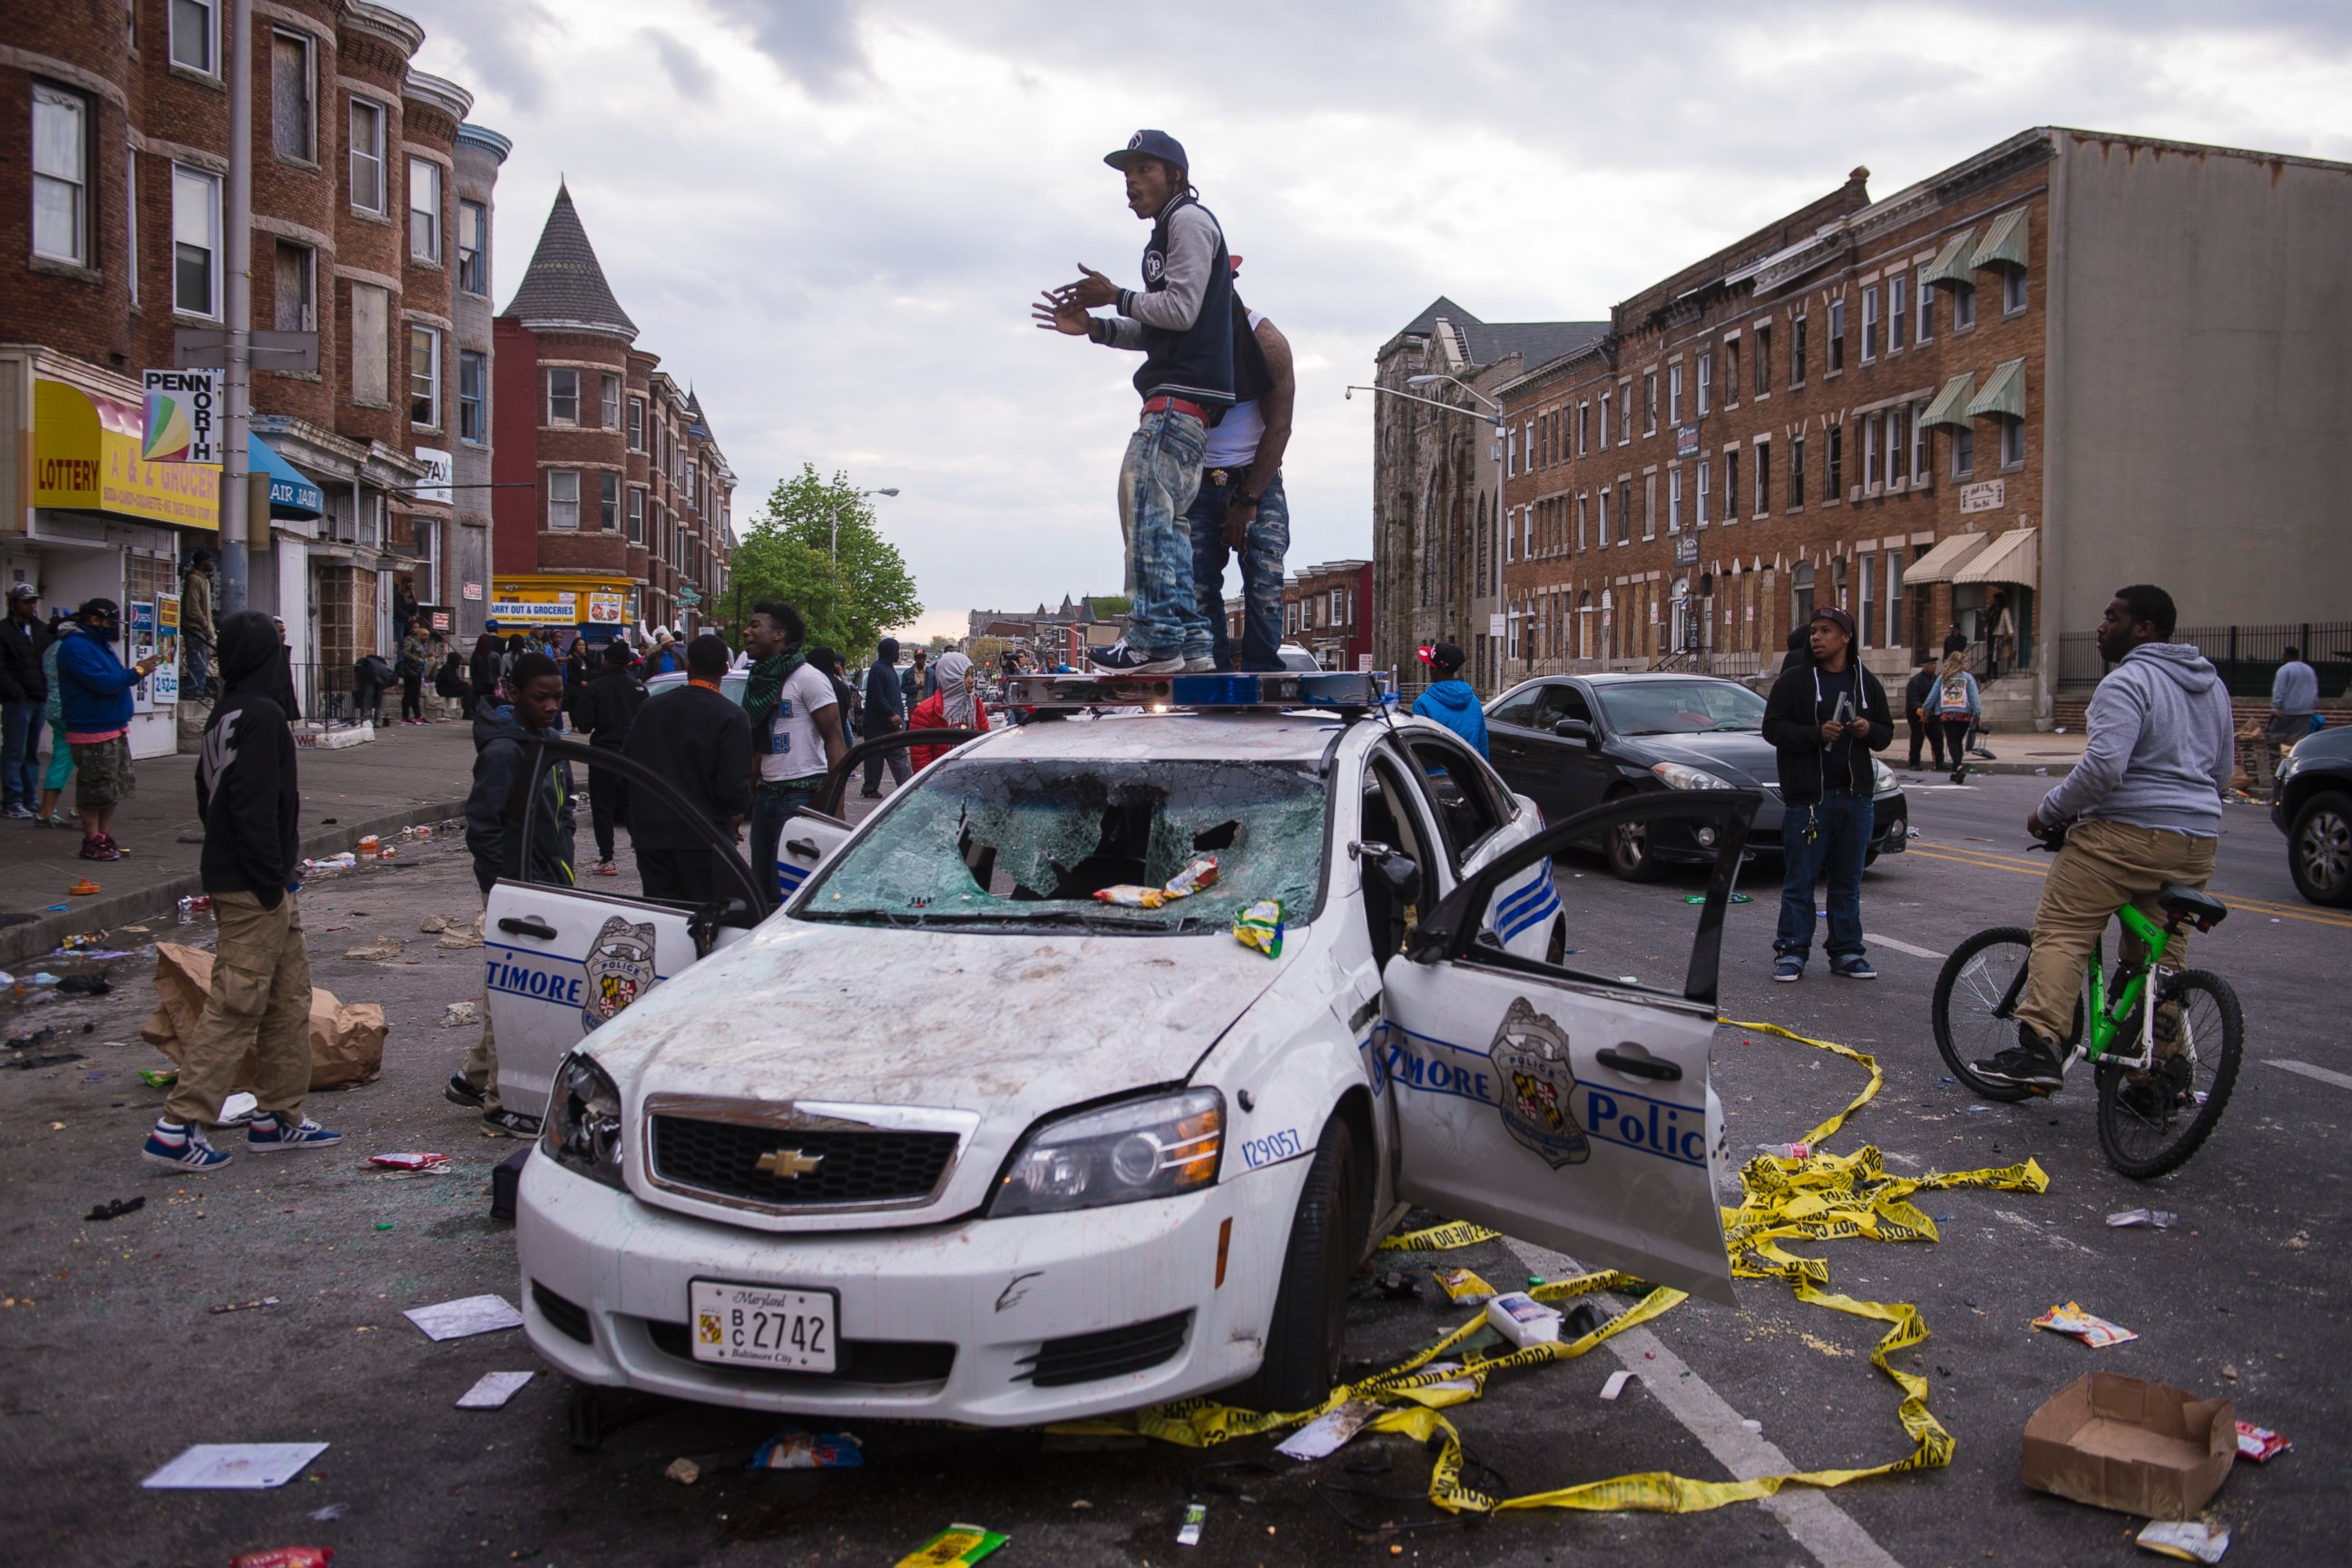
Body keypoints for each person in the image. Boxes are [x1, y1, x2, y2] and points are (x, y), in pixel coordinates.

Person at [1975, 585, 2235, 1093]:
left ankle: (2042, 1047)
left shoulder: (2128, 681)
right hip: (2195, 843)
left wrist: (2048, 812)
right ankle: (2156, 1076)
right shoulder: (2214, 688)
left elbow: (2103, 768)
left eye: (2111, 617)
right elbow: (2222, 773)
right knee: (2160, 963)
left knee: (2064, 930)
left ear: (2143, 629)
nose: (2100, 625)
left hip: (2124, 838)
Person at [1033, 128, 1234, 673]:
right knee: (1170, 529)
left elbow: (1181, 310)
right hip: (1190, 407)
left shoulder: (1187, 221)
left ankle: (1153, 641)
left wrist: (1115, 295)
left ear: (1176, 174)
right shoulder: (1171, 230)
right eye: (1126, 174)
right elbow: (1161, 329)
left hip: (1175, 403)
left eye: (1143, 169)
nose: (1131, 183)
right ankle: (1193, 645)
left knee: (1144, 509)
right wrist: (1098, 327)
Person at [142, 611, 338, 1170]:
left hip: (256, 877)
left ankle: (277, 1114)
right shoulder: (262, 715)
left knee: (287, 997)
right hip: (256, 884)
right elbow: (254, 805)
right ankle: (179, 1127)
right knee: (236, 1004)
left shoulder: (225, 712)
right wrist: (269, 880)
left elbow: (209, 800)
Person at [448, 652, 573, 1135]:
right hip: (516, 890)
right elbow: (482, 827)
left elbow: (560, 812)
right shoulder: (504, 752)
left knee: (506, 986)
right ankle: (502, 1102)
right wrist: (507, 886)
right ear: (515, 693)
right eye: (540, 697)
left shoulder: (549, 742)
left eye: (557, 697)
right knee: (513, 992)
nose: (549, 706)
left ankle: (473, 1078)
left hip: (547, 882)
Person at [1761, 606, 1891, 983]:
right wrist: (1815, 734)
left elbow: (1885, 733)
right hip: (1810, 800)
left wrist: (1868, 730)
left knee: (1847, 882)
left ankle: (1847, 952)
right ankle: (1791, 951)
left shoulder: (1864, 682)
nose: (1816, 637)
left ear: (1846, 638)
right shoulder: (1795, 682)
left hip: (1856, 799)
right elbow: (1772, 729)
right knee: (1800, 881)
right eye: (1814, 631)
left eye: (1826, 631)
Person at [1187, 262, 1295, 671]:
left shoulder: (1266, 341)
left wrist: (1248, 498)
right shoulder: (1187, 337)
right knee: (1197, 587)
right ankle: (1213, 674)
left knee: (1264, 582)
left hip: (1255, 478)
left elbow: (1279, 428)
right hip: (1195, 481)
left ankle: (1262, 673)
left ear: (1229, 288)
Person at [624, 632, 752, 904]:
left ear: (688, 666)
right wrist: (736, 810)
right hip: (705, 836)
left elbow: (628, 768)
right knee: (705, 916)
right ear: (726, 670)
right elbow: (733, 787)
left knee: (662, 913)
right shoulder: (731, 716)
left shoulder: (650, 708)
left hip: (653, 835)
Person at [742, 601, 847, 899]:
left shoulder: (809, 678)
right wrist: (743, 801)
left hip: (798, 796)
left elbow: (835, 740)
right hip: (765, 795)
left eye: (755, 626)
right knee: (760, 886)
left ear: (778, 635)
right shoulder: (760, 680)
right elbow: (757, 744)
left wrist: (836, 807)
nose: (747, 633)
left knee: (787, 890)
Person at [55, 597, 161, 861]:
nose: (103, 626)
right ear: (86, 619)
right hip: (91, 729)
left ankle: (104, 835)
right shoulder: (75, 646)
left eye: (108, 622)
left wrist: (133, 673)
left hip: (114, 727)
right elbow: (102, 683)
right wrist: (137, 671)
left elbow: (114, 679)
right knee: (94, 787)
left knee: (113, 788)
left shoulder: (98, 644)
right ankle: (91, 839)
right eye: (98, 620)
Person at [574, 640, 645, 877]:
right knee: (630, 805)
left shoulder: (596, 688)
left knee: (603, 806)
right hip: (631, 756)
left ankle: (608, 858)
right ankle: (644, 851)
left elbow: (583, 725)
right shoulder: (639, 689)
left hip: (603, 754)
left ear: (607, 660)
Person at [1, 582, 54, 818]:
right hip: (17, 701)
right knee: (15, 752)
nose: (32, 606)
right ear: (14, 604)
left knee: (30, 752)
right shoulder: (4, 631)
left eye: (34, 601)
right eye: (27, 601)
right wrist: (15, 692)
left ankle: (29, 798)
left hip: (38, 698)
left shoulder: (41, 630)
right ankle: (12, 801)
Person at [907, 651, 989, 770]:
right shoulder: (925, 712)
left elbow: (986, 742)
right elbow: (921, 761)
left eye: (972, 675)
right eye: (966, 676)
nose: (972, 680)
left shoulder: (975, 703)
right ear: (950, 676)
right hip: (940, 782)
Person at [1406, 642, 1488, 757]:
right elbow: (1482, 744)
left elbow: (1419, 749)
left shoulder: (1422, 704)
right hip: (1469, 770)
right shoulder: (1474, 701)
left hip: (1434, 773)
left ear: (1434, 670)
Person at [35, 611, 75, 828]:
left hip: (54, 709)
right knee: (89, 761)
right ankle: (83, 808)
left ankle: (45, 811)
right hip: (72, 710)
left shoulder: (50, 650)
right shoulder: (71, 649)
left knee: (61, 757)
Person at [860, 635, 911, 799]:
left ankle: (906, 786)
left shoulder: (889, 669)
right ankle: (870, 788)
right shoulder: (878, 669)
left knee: (898, 755)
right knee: (875, 757)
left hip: (891, 723)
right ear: (891, 652)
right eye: (897, 650)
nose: (898, 654)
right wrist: (891, 713)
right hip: (877, 724)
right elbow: (877, 696)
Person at [1933, 651, 1980, 785]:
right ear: (1959, 663)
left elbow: (1933, 695)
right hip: (1964, 714)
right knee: (1958, 741)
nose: (1968, 664)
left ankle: (1958, 766)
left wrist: (1925, 708)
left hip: (1947, 713)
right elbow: (1974, 697)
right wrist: (1977, 713)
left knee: (1952, 741)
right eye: (1966, 661)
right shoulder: (1968, 678)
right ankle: (1955, 771)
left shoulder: (1943, 677)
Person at [181, 548, 217, 700]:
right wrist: (206, 625)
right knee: (197, 661)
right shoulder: (194, 579)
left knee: (202, 661)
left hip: (201, 628)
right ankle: (193, 689)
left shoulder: (202, 579)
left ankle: (198, 689)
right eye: (209, 561)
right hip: (195, 628)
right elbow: (192, 608)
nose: (212, 564)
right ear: (202, 562)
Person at [1903, 654, 1946, 771]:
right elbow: (1913, 698)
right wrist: (1919, 708)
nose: (1933, 666)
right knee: (1917, 739)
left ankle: (1939, 762)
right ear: (1924, 665)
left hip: (1934, 715)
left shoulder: (1937, 680)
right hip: (1918, 716)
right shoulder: (1916, 681)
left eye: (1935, 664)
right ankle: (1914, 762)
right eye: (1931, 664)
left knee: (1938, 739)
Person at [397, 619, 430, 724]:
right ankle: (405, 716)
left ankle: (418, 716)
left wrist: (428, 656)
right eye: (415, 628)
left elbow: (421, 654)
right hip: (410, 669)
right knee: (409, 693)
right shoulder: (408, 639)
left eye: (418, 628)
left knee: (416, 694)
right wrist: (417, 659)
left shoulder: (418, 640)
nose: (417, 630)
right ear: (410, 629)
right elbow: (406, 653)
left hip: (418, 669)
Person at [468, 622, 504, 717]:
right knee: (490, 703)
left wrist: (473, 681)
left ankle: (479, 715)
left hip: (478, 683)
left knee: (479, 702)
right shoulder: (495, 655)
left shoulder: (475, 655)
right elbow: (499, 671)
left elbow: (472, 670)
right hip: (491, 683)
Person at [352, 652, 391, 724]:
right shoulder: (381, 662)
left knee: (368, 699)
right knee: (379, 700)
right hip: (381, 680)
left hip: (369, 680)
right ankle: (379, 720)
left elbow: (358, 672)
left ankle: (366, 719)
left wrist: (360, 684)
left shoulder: (364, 661)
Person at [900, 646, 928, 710]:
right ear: (915, 659)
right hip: (913, 706)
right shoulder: (908, 673)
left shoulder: (931, 673)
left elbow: (934, 690)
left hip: (927, 706)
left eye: (923, 657)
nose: (921, 660)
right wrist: (916, 687)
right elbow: (903, 689)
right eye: (918, 658)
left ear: (925, 658)